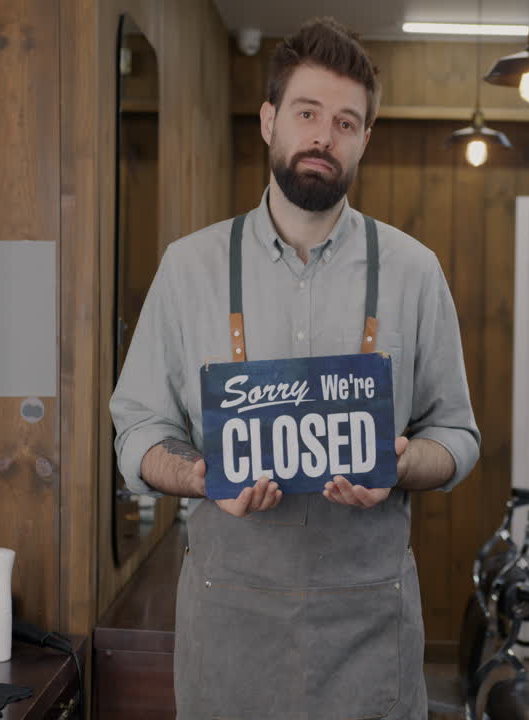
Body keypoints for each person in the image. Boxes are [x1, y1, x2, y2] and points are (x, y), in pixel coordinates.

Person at [110, 17, 480, 719]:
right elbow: (136, 430)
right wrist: (197, 475)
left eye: (346, 122)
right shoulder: (190, 269)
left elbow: (458, 436)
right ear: (269, 120)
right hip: (230, 629)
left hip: (370, 626)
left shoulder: (414, 272)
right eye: (308, 113)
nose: (324, 136)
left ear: (365, 139)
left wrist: (399, 464)